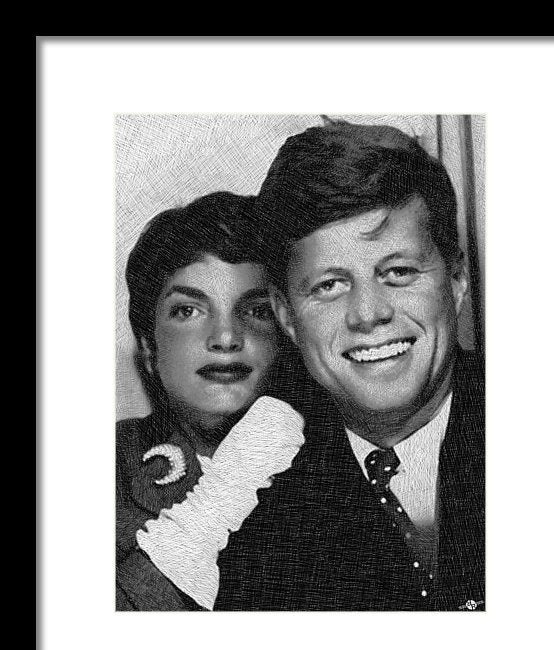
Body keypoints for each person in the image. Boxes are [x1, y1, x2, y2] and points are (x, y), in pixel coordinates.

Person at [210, 120, 485, 611]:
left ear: (457, 280)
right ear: (286, 316)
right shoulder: (258, 511)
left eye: (398, 272)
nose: (367, 314)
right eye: (329, 285)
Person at [116, 191, 308, 611]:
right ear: (148, 347)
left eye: (257, 311)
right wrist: (226, 492)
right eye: (187, 311)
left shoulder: (340, 463)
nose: (226, 337)